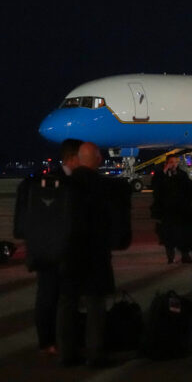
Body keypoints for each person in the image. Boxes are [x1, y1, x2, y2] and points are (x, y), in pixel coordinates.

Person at [56, 142, 128, 367]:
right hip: (95, 254)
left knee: (67, 304)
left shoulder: (64, 186)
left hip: (68, 253)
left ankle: (66, 354)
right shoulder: (105, 187)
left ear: (78, 159)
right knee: (96, 305)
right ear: (97, 159)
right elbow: (115, 224)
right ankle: (95, 355)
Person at [13, 139, 83, 356]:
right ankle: (48, 341)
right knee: (49, 296)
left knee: (58, 296)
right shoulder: (55, 182)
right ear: (72, 158)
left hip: (53, 250)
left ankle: (59, 339)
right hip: (50, 251)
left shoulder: (53, 180)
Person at [150, 154, 192, 264]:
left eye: (175, 162)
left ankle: (185, 256)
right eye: (171, 162)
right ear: (166, 163)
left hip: (180, 210)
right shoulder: (161, 175)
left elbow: (189, 188)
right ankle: (170, 257)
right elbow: (155, 187)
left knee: (183, 233)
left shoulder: (182, 175)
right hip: (166, 211)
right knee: (168, 235)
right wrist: (164, 172)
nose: (174, 164)